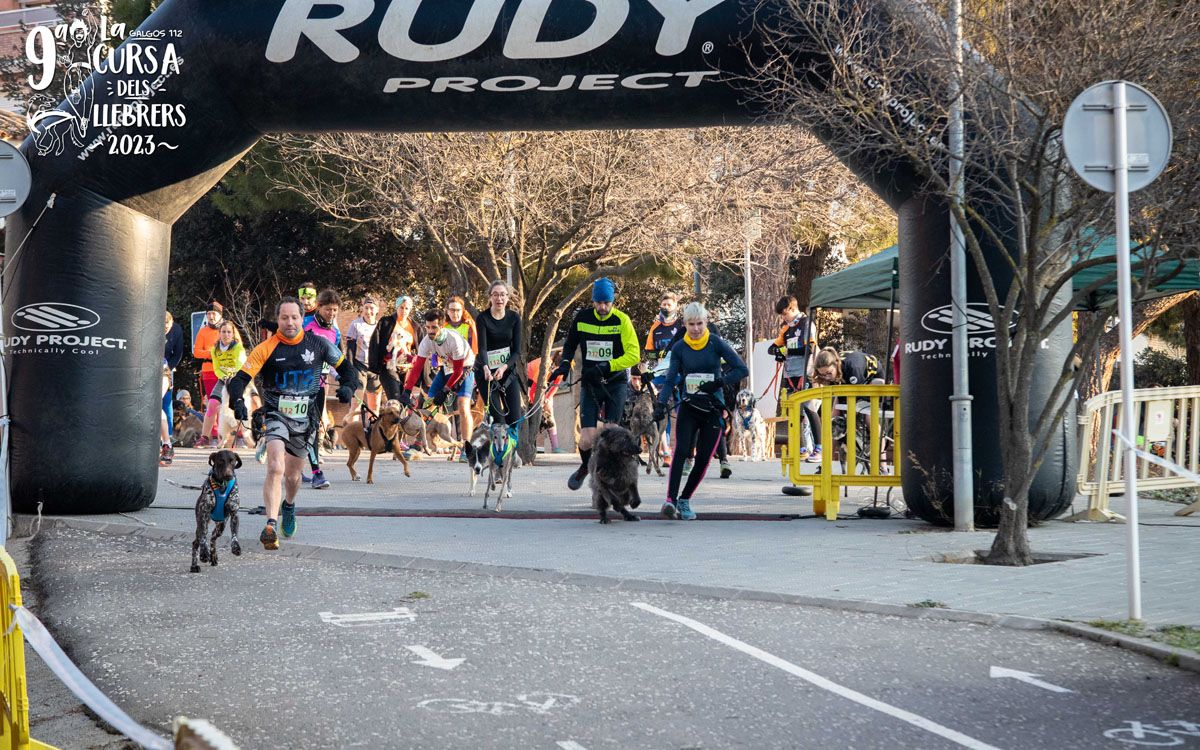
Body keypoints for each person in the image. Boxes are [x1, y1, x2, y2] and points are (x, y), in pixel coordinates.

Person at [227, 297, 358, 550]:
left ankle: (288, 505)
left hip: (305, 419)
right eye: (284, 317)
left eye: (294, 317)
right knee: (275, 466)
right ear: (278, 319)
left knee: (293, 475)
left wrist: (349, 388)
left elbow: (348, 371)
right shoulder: (266, 348)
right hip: (276, 415)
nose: (289, 322)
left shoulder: (319, 344)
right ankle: (270, 524)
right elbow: (239, 379)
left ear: (302, 318)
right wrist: (237, 401)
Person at [655, 302, 748, 520]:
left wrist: (719, 382)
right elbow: (670, 380)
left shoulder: (716, 343)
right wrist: (660, 404)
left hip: (713, 408)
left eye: (699, 324)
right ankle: (670, 500)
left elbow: (742, 369)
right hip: (689, 406)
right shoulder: (679, 348)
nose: (696, 329)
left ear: (706, 323)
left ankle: (685, 500)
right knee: (681, 452)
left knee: (704, 458)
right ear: (685, 324)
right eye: (691, 324)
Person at [551, 277, 640, 491]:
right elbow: (570, 344)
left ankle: (611, 477)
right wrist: (564, 364)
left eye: (606, 303)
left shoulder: (622, 320)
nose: (602, 307)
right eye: (598, 302)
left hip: (614, 383)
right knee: (587, 438)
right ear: (593, 301)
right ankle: (586, 467)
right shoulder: (582, 318)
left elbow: (634, 354)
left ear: (613, 302)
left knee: (611, 431)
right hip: (590, 383)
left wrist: (607, 366)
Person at [399, 309, 474, 449]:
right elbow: (417, 368)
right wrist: (407, 391)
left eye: (434, 327)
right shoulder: (427, 341)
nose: (430, 331)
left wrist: (445, 390)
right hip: (447, 367)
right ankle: (419, 441)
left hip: (465, 367)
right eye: (427, 327)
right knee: (429, 402)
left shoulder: (454, 341)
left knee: (463, 406)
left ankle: (466, 446)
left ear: (442, 326)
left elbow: (458, 371)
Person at [769, 295, 818, 459]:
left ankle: (819, 448)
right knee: (795, 412)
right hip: (790, 374)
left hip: (806, 372)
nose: (783, 318)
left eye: (784, 314)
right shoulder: (786, 328)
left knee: (809, 410)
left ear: (792, 308)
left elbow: (809, 348)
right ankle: (802, 448)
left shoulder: (806, 323)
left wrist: (787, 351)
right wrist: (778, 352)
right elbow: (772, 348)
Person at [303, 289, 342, 489]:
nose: (332, 314)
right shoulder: (307, 326)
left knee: (313, 427)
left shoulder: (334, 332)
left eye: (335, 310)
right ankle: (316, 472)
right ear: (319, 307)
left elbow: (331, 361)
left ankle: (310, 469)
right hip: (301, 386)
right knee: (306, 428)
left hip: (319, 386)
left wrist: (340, 376)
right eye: (328, 310)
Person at [475, 281, 523, 438]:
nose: (499, 298)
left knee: (515, 419)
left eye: (502, 294)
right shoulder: (482, 318)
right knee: (499, 420)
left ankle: (511, 454)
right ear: (490, 297)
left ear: (507, 297)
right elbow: (482, 348)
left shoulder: (514, 318)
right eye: (495, 294)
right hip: (486, 373)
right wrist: (486, 368)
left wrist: (503, 367)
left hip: (507, 373)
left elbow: (517, 351)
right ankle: (498, 456)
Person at [643, 291, 684, 463]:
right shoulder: (655, 327)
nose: (666, 307)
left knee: (682, 411)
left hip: (680, 373)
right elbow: (649, 352)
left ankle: (686, 449)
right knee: (661, 410)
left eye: (669, 305)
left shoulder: (682, 325)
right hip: (661, 374)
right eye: (664, 304)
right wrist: (660, 355)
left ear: (676, 306)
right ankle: (666, 452)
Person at [196, 320, 247, 448]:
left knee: (237, 406)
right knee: (212, 404)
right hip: (223, 379)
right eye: (223, 332)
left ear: (233, 334)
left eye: (229, 332)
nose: (226, 334)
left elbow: (240, 365)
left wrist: (232, 376)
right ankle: (205, 437)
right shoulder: (215, 349)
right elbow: (217, 368)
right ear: (219, 333)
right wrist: (223, 377)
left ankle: (241, 436)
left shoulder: (238, 348)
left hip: (237, 379)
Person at [369, 295, 418, 402]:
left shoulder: (415, 326)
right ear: (396, 307)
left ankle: (401, 418)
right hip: (388, 366)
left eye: (407, 308)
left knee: (404, 401)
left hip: (406, 368)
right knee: (395, 398)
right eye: (401, 307)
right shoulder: (386, 322)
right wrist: (374, 365)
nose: (404, 311)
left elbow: (419, 348)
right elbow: (375, 343)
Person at [346, 296, 381, 414]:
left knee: (375, 406)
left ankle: (372, 432)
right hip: (359, 366)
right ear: (362, 309)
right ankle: (351, 431)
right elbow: (350, 349)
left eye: (372, 308)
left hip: (375, 369)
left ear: (377, 310)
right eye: (366, 308)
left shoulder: (380, 326)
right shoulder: (356, 325)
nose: (368, 311)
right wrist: (349, 369)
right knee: (356, 403)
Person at [192, 300, 225, 413]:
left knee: (225, 403)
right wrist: (212, 354)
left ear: (220, 315)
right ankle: (213, 431)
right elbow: (196, 352)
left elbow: (239, 349)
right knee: (213, 403)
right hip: (209, 371)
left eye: (214, 313)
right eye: (209, 313)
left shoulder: (229, 329)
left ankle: (225, 430)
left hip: (226, 371)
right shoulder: (203, 332)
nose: (211, 316)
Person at [161, 311, 185, 465]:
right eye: (162, 326)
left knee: (161, 403)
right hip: (146, 368)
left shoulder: (176, 330)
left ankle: (167, 443)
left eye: (167, 326)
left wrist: (169, 367)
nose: (165, 329)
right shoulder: (150, 327)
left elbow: (178, 353)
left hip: (164, 369)